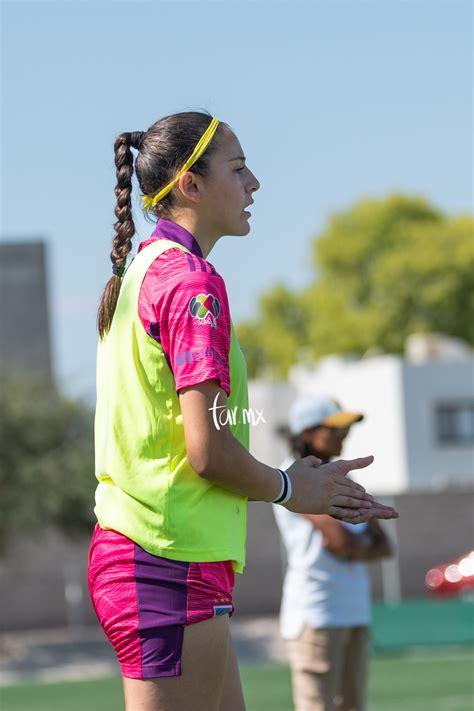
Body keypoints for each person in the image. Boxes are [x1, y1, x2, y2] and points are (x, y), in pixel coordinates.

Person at [87, 112, 398, 711]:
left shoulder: (141, 271)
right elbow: (206, 451)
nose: (254, 183)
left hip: (164, 556)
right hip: (163, 559)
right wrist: (289, 487)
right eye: (238, 168)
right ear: (191, 186)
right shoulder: (191, 282)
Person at [273, 394, 394, 711]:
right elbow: (340, 541)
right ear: (307, 433)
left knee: (353, 706)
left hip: (353, 607)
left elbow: (384, 545)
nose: (344, 437)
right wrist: (360, 547)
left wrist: (357, 548)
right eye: (335, 429)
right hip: (316, 610)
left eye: (345, 430)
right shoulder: (292, 477)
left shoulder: (344, 478)